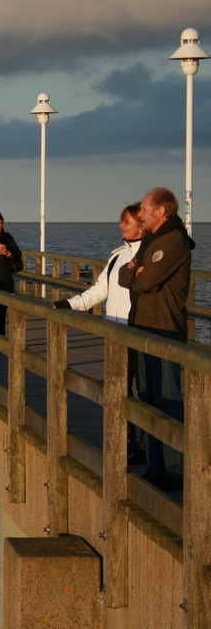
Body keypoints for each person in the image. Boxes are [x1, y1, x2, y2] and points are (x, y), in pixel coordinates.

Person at [118, 187, 195, 489]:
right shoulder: (153, 241)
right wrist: (136, 271)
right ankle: (157, 465)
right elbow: (127, 279)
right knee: (149, 399)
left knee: (168, 398)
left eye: (146, 211)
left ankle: (175, 469)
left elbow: (146, 280)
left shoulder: (173, 241)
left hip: (163, 329)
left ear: (161, 211)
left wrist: (138, 271)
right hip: (143, 327)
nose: (142, 215)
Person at [54, 202, 144, 323]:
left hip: (140, 331)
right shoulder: (118, 256)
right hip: (115, 330)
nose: (121, 225)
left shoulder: (148, 256)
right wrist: (70, 304)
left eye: (127, 222)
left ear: (142, 227)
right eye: (121, 221)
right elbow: (100, 290)